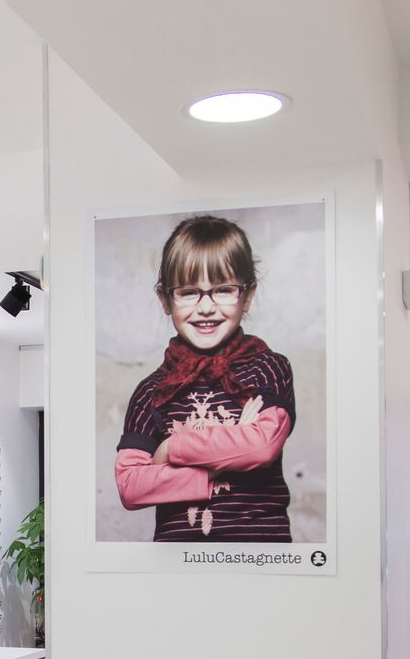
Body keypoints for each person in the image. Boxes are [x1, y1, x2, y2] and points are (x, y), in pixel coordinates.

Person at [113, 215, 296, 542]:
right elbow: (131, 486)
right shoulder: (151, 392)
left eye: (224, 290)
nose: (207, 308)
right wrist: (224, 456)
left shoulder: (267, 368)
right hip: (177, 570)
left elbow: (261, 446)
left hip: (261, 565)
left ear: (248, 294)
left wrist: (171, 449)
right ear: (166, 300)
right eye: (189, 292)